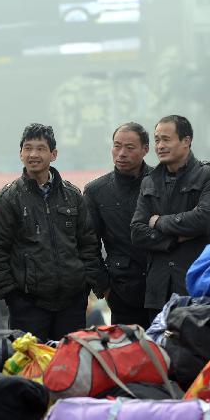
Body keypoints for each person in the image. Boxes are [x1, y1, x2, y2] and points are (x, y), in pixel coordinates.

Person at [0, 123, 99, 341]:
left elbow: (88, 244)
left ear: (53, 154)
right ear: (20, 153)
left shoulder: (72, 196)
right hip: (28, 306)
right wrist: (12, 296)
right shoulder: (7, 198)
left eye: (41, 148)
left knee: (70, 365)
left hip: (72, 304)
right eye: (28, 148)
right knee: (31, 368)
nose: (33, 154)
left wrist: (85, 287)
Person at [130, 114, 210, 315]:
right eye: (157, 140)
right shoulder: (149, 181)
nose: (160, 146)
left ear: (186, 141)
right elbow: (137, 232)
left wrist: (158, 221)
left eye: (166, 139)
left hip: (199, 287)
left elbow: (204, 220)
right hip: (158, 291)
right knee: (158, 346)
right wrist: (175, 238)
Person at [84, 122, 154, 327]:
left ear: (145, 150)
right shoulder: (96, 191)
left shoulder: (161, 182)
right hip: (122, 289)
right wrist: (105, 289)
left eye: (130, 148)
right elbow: (88, 245)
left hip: (162, 285)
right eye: (117, 146)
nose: (121, 153)